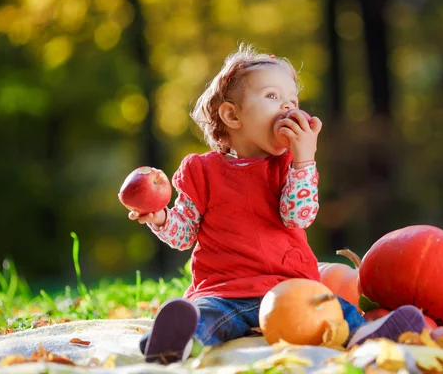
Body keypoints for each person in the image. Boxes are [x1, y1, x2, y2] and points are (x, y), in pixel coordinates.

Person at [121, 44, 424, 364]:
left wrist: (305, 157)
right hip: (226, 292)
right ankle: (175, 342)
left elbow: (298, 216)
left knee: (337, 310)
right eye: (271, 97)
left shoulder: (292, 166)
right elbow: (183, 235)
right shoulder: (202, 171)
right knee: (204, 315)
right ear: (231, 115)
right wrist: (160, 217)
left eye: (292, 101)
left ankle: (369, 336)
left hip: (291, 291)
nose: (287, 108)